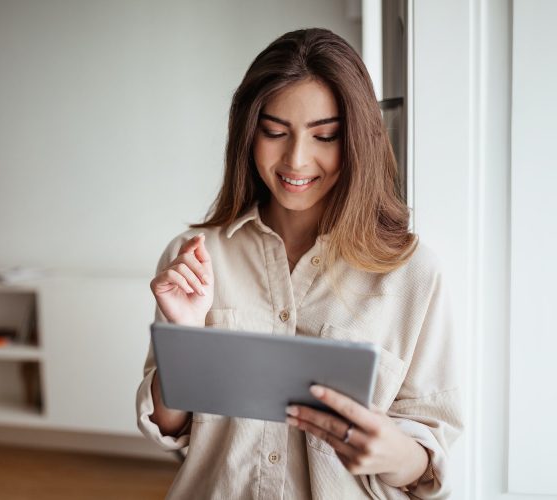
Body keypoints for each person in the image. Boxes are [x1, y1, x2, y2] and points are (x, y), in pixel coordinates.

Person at [135, 28, 463, 499]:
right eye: (275, 132)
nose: (297, 159)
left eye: (325, 136)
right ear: (249, 132)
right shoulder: (194, 257)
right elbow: (169, 428)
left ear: (358, 140)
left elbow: (430, 460)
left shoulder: (415, 274)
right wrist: (184, 341)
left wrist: (394, 453)